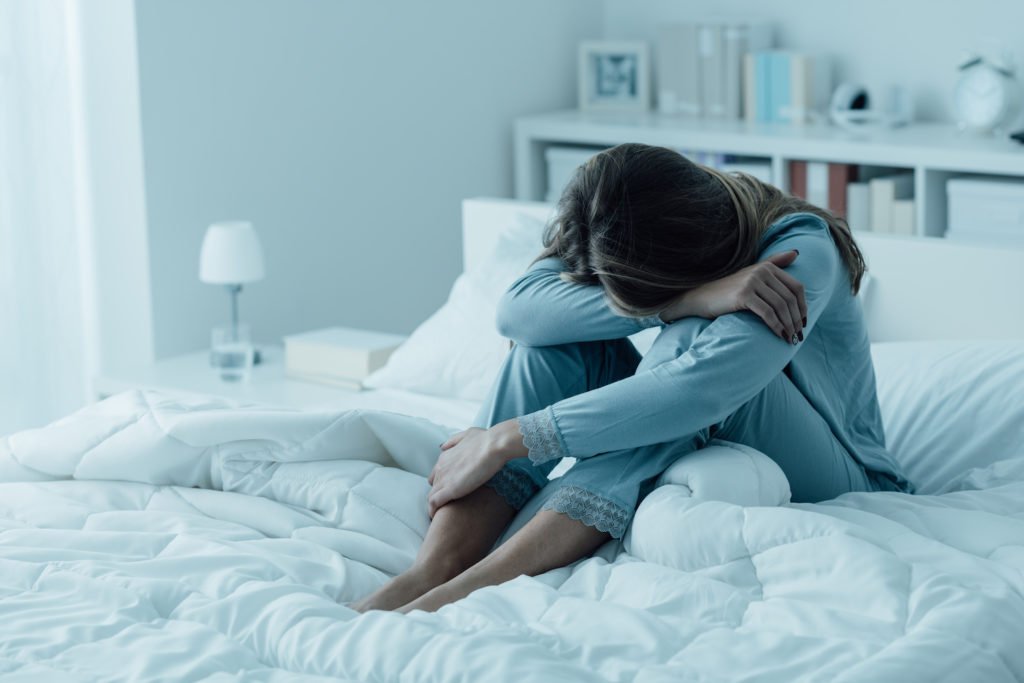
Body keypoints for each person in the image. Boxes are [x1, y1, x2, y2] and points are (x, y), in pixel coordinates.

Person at [352, 143, 910, 614]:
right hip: (703, 371)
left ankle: (464, 592)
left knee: (686, 355)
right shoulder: (620, 213)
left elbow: (700, 388)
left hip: (844, 474)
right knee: (550, 349)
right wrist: (683, 300)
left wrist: (508, 438)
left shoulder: (799, 249)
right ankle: (431, 571)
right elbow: (518, 312)